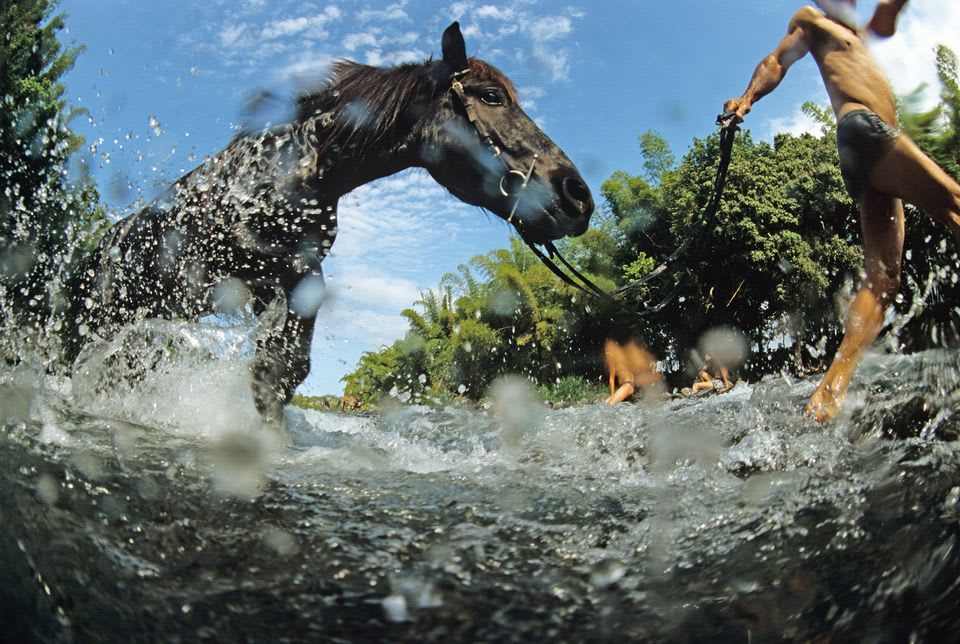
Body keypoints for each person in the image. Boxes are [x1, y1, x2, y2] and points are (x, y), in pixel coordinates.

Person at [723, 0, 960, 421]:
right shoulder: (812, 20)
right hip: (865, 131)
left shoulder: (861, 34)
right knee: (955, 203)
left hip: (868, 152)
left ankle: (828, 394)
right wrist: (747, 98)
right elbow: (777, 60)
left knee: (883, 280)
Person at [603, 338, 663, 405]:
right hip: (627, 385)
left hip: (627, 385)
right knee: (605, 404)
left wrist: (612, 395)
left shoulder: (612, 356)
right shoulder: (621, 357)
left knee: (610, 404)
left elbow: (611, 378)